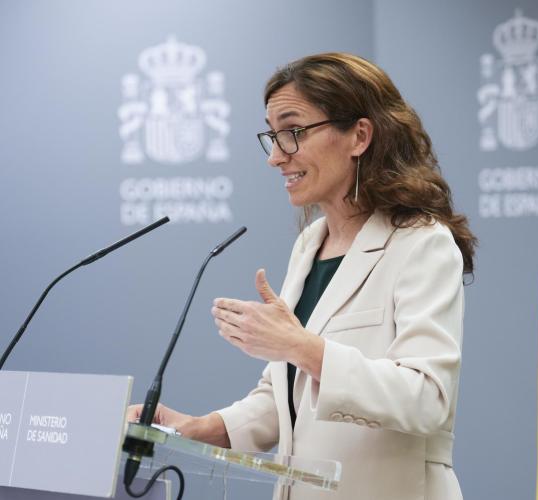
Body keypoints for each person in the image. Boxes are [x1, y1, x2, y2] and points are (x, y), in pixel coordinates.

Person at [128, 52, 477, 500]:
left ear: (359, 136)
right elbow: (289, 399)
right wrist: (201, 428)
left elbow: (427, 398)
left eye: (293, 133)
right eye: (273, 137)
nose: (276, 157)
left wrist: (301, 347)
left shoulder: (421, 243)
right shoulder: (310, 244)